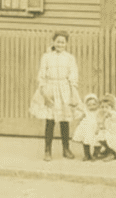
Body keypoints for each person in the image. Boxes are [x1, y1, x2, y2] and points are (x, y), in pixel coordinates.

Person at [29, 31, 80, 161]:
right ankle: (47, 150)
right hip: (50, 88)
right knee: (50, 121)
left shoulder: (70, 58)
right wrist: (45, 94)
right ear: (53, 42)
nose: (60, 44)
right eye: (58, 41)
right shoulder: (46, 57)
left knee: (64, 121)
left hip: (64, 89)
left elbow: (73, 77)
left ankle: (66, 149)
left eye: (63, 42)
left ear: (66, 44)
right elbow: (41, 75)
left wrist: (73, 94)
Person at [93, 93, 116, 160]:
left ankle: (112, 153)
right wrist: (98, 128)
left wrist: (109, 114)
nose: (104, 109)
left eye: (106, 107)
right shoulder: (101, 114)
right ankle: (106, 150)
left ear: (111, 108)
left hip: (115, 134)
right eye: (102, 107)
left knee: (107, 137)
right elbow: (101, 124)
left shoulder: (113, 113)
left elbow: (114, 121)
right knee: (99, 136)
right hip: (109, 132)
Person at [72, 93, 101, 161]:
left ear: (97, 104)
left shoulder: (99, 112)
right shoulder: (86, 111)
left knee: (97, 141)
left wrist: (99, 127)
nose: (92, 106)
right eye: (89, 105)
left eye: (94, 104)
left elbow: (101, 120)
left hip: (95, 129)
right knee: (86, 141)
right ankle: (87, 154)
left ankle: (95, 154)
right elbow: (80, 116)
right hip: (87, 129)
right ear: (86, 105)